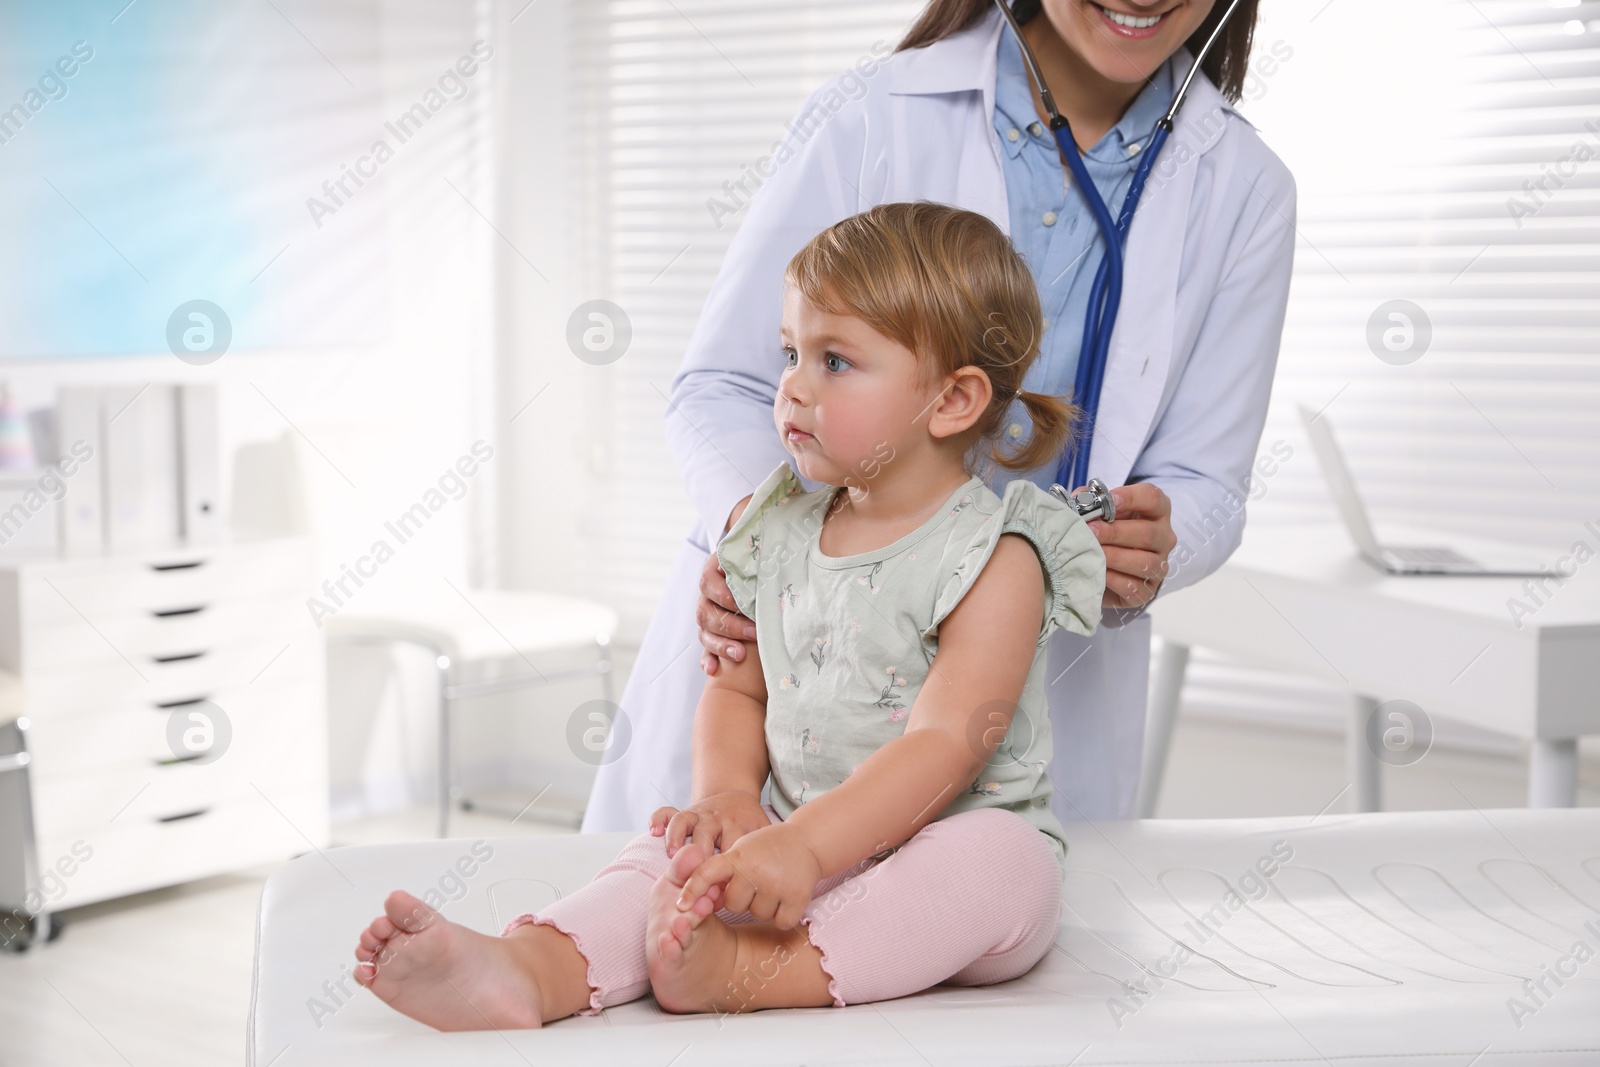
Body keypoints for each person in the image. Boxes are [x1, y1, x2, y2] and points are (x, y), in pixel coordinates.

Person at [351, 202, 1105, 1027]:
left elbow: (945, 742)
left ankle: (746, 969)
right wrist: (728, 799)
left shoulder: (997, 554)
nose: (792, 386)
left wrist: (806, 847)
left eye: (836, 361)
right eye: (791, 353)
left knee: (1003, 865)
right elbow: (738, 690)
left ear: (954, 400)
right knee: (665, 860)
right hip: (787, 844)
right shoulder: (774, 531)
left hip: (932, 844)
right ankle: (529, 968)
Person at [582, 0, 1294, 832]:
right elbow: (722, 385)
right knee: (680, 923)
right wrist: (767, 546)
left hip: (1015, 695)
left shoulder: (1244, 185)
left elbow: (1208, 479)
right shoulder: (873, 116)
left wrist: (1160, 543)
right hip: (791, 671)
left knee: (957, 932)